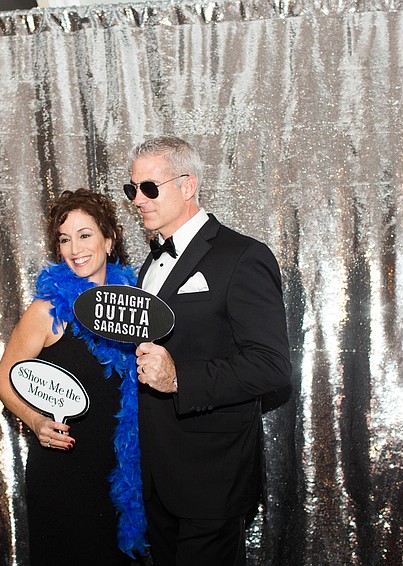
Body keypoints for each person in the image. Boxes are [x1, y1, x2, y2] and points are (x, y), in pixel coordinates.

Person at [125, 136, 292, 565]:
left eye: (149, 188)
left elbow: (271, 367)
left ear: (187, 185)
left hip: (212, 471)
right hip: (158, 468)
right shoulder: (150, 263)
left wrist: (180, 378)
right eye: (132, 189)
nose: (138, 200)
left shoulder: (243, 256)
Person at [0, 188, 146, 565]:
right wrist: (35, 420)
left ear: (109, 241)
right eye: (65, 238)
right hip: (64, 470)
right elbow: (3, 377)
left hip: (122, 472)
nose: (75, 248)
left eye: (85, 234)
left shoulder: (137, 304)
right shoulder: (48, 310)